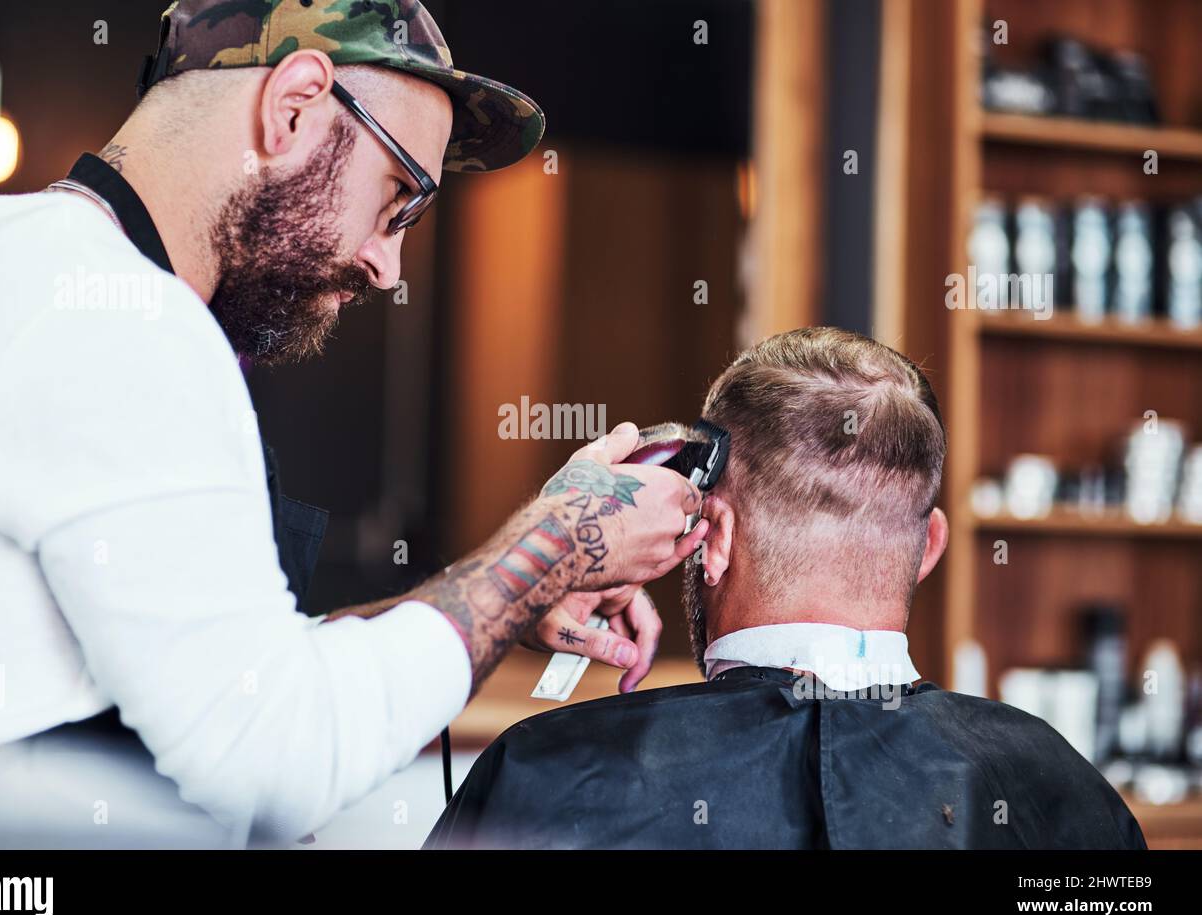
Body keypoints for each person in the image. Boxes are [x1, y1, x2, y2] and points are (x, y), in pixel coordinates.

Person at [0, 0, 706, 847]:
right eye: (398, 196)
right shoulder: (116, 323)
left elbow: (235, 678)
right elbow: (274, 759)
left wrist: (512, 598)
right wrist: (554, 545)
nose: (388, 265)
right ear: (292, 106)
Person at [426, 327, 1147, 849]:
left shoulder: (546, 776)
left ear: (714, 535)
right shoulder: (1060, 786)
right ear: (929, 547)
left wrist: (542, 557)